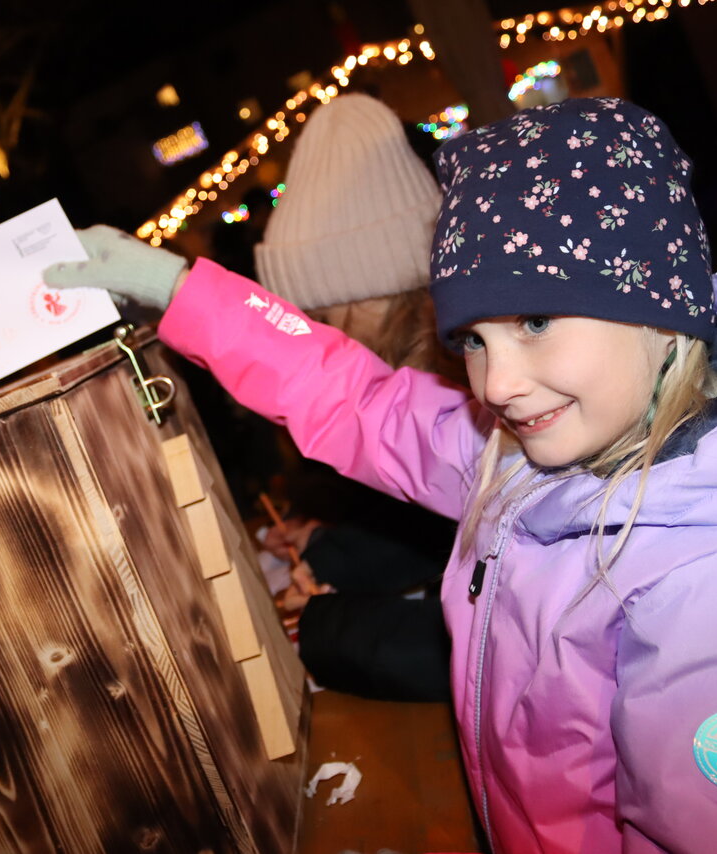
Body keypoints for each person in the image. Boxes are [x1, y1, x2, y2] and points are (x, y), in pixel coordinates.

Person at [44, 98, 717, 852]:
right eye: (473, 340)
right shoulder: (523, 455)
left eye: (535, 322)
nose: (496, 383)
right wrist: (177, 287)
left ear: (660, 304)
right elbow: (357, 399)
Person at [246, 92, 457, 701]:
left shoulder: (464, 385)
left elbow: (496, 646)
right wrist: (332, 553)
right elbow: (436, 527)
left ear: (372, 292)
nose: (314, 338)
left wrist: (325, 631)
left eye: (320, 314)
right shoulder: (417, 374)